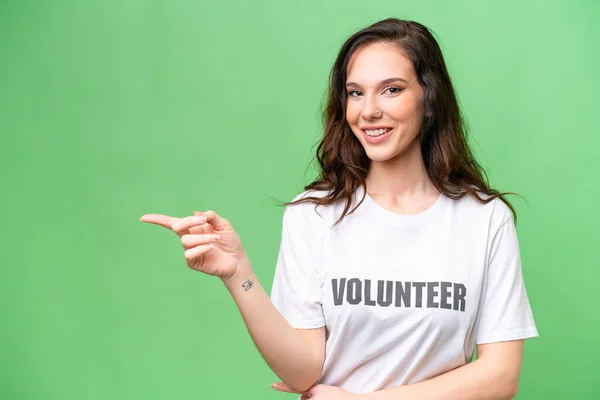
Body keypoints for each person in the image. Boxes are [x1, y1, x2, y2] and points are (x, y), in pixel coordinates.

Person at [140, 18, 538, 399]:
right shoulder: (313, 215)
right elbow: (302, 372)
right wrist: (237, 273)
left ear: (429, 99)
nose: (368, 111)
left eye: (392, 89)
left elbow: (501, 376)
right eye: (355, 92)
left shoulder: (483, 218)